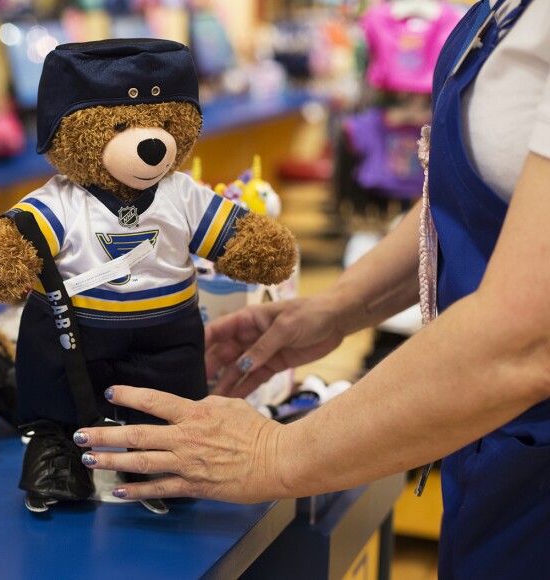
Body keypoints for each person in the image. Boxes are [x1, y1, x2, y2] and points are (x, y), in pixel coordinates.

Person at [71, 1, 550, 577]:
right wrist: (339, 308)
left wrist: (274, 454)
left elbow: (528, 336)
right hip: (495, 445)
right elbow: (468, 199)